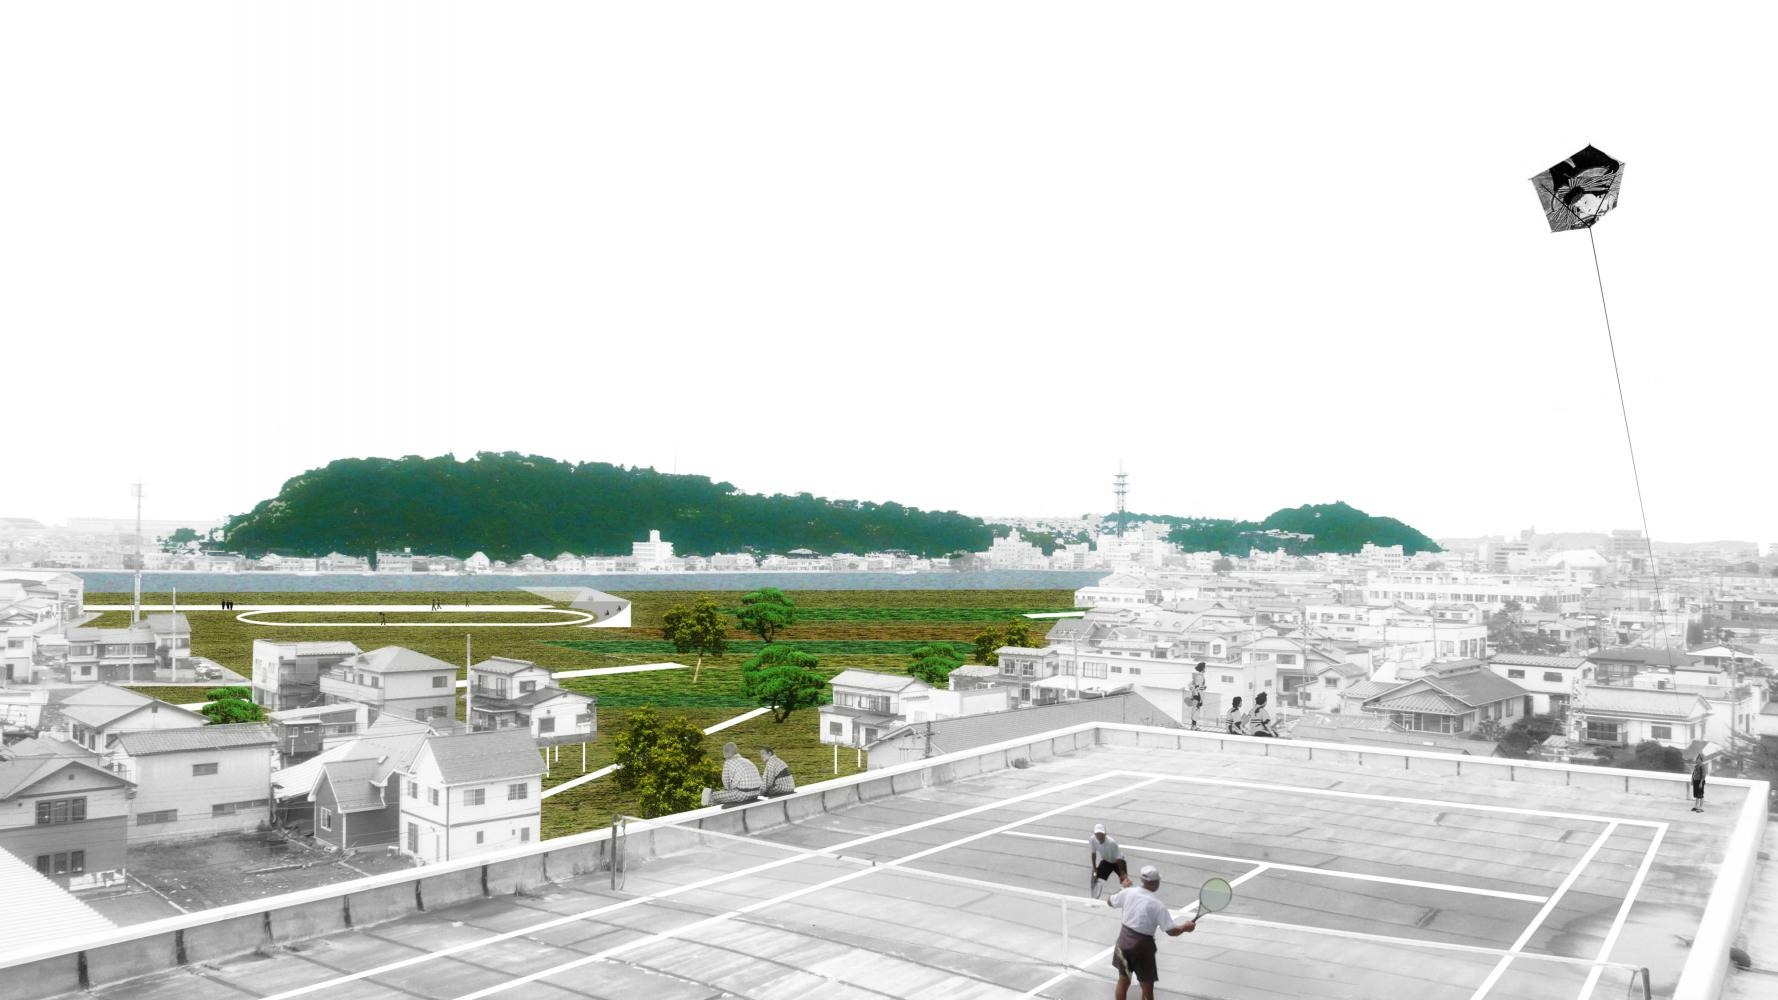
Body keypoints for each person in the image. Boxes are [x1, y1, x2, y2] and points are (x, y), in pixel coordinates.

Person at [1107, 864, 1195, 1000]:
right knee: (1147, 987)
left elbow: (1109, 901)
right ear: (1155, 883)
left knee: (1123, 981)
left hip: (1123, 943)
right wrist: (1185, 927)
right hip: (1142, 949)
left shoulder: (1128, 892)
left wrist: (1122, 888)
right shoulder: (1157, 905)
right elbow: (1171, 931)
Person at [700, 742, 762, 807]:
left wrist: (727, 791)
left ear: (725, 753)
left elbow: (725, 781)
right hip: (756, 792)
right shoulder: (747, 761)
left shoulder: (728, 762)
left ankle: (705, 807)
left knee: (712, 795)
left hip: (743, 794)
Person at [1088, 823, 1128, 891]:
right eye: (1097, 834)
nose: (1099, 836)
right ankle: (1094, 891)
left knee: (1124, 880)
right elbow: (1093, 853)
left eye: (1101, 834)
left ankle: (1126, 891)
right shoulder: (1092, 839)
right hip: (1106, 861)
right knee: (1094, 875)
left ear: (1105, 834)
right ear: (1095, 834)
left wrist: (1121, 873)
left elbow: (1118, 858)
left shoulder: (1111, 843)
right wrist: (1094, 868)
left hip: (1118, 862)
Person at [1187, 663, 1207, 731]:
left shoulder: (1199, 676)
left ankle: (1194, 725)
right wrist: (1198, 697)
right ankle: (1193, 726)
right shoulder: (1199, 676)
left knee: (1196, 710)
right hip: (1197, 695)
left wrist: (1202, 688)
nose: (1205, 669)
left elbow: (1191, 685)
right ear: (1202, 668)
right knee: (1196, 710)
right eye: (1204, 667)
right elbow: (1197, 687)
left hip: (1197, 695)